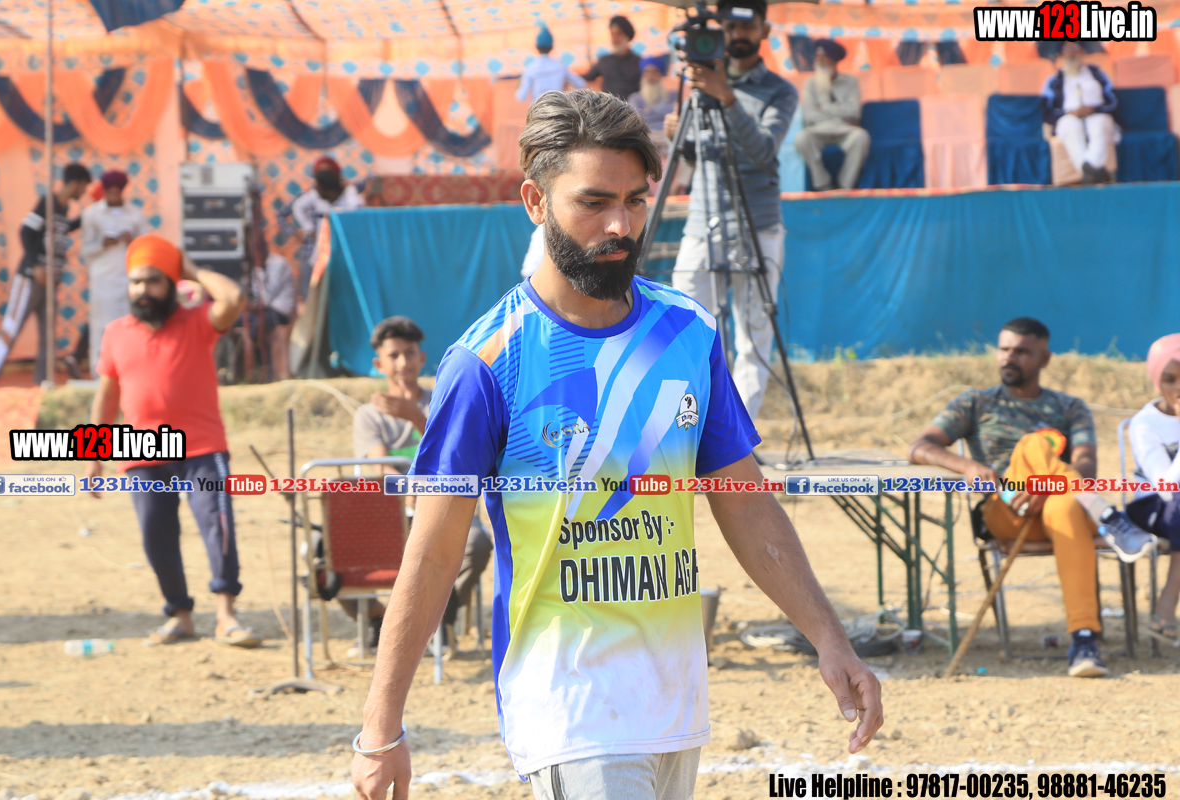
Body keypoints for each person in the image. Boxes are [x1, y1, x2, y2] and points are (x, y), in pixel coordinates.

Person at [351, 89, 882, 800]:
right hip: (569, 707)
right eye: (594, 202)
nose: (620, 225)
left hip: (676, 706)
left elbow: (746, 504)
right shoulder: (485, 363)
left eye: (635, 201)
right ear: (536, 201)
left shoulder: (688, 332)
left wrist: (830, 638)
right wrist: (381, 724)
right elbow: (434, 552)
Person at [909, 317, 1159, 678]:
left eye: (1022, 351)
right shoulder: (976, 402)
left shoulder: (1070, 407)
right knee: (1033, 443)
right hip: (1005, 508)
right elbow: (919, 447)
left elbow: (1085, 468)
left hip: (1060, 506)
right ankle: (1110, 518)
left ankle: (1084, 641)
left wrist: (1046, 485)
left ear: (1045, 358)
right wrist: (968, 466)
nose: (1009, 357)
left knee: (1060, 493)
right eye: (1004, 349)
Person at [86, 234, 260, 649]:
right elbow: (106, 397)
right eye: (136, 282)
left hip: (203, 447)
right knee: (155, 533)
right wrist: (94, 456)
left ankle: (226, 616)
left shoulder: (198, 321)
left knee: (217, 526)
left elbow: (234, 297)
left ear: (170, 283)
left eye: (153, 280)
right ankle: (180, 616)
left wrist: (191, 269)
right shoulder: (115, 333)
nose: (143, 289)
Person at [663, 0, 798, 422]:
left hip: (758, 224)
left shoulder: (780, 90)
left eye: (747, 26)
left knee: (753, 339)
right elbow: (693, 159)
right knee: (682, 327)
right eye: (730, 26)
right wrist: (677, 137)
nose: (738, 34)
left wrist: (727, 98)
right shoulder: (697, 84)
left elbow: (762, 151)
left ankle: (738, 441)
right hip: (703, 221)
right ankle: (689, 429)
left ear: (764, 30)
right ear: (717, 30)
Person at [349, 316, 493, 659]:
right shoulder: (369, 414)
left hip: (446, 507)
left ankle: (438, 618)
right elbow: (379, 466)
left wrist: (415, 416)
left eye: (410, 353)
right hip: (394, 512)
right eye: (394, 355)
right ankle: (382, 619)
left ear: (422, 358)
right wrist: (407, 487)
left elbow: (454, 450)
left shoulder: (443, 400)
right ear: (378, 364)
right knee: (332, 549)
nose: (403, 363)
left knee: (476, 544)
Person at [0, 163, 91, 388]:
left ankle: (43, 380)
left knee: (48, 334)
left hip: (50, 282)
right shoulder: (47, 203)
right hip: (31, 278)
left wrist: (86, 217)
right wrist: (35, 266)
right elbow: (26, 231)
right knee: (12, 327)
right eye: (83, 187)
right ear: (75, 183)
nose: (84, 192)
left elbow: (62, 229)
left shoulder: (63, 209)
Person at [1128, 334, 1180, 646]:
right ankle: (1168, 602)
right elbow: (1166, 485)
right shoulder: (1145, 423)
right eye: (1169, 379)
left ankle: (1166, 606)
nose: (1178, 388)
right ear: (1156, 381)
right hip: (1153, 507)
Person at [79, 170, 150, 376]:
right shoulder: (92, 214)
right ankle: (100, 372)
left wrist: (131, 241)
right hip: (102, 278)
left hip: (129, 277)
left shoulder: (135, 215)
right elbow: (86, 249)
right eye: (109, 191)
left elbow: (146, 246)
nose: (113, 195)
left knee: (131, 324)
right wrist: (103, 244)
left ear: (122, 191)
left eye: (116, 191)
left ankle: (130, 370)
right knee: (102, 325)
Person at [282, 156, 364, 307]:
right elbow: (297, 207)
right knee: (314, 291)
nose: (317, 190)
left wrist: (349, 190)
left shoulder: (348, 193)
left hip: (344, 250)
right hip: (321, 248)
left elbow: (357, 211)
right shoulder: (315, 195)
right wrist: (309, 228)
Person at [794, 39, 869, 191]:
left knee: (861, 137)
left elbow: (854, 111)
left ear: (834, 59)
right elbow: (810, 115)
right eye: (817, 56)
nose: (819, 61)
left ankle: (845, 186)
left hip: (844, 130)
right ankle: (823, 184)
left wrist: (824, 107)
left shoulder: (850, 82)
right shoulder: (810, 83)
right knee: (801, 138)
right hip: (818, 130)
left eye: (824, 57)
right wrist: (840, 111)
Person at [1042, 41, 1117, 184]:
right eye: (1067, 48)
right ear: (1062, 53)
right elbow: (1046, 112)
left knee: (1100, 123)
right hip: (1068, 118)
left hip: (1096, 115)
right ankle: (1094, 173)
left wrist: (1095, 109)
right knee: (1070, 125)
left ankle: (1088, 172)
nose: (1071, 52)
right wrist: (1070, 113)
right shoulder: (1054, 81)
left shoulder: (1098, 75)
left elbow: (1114, 103)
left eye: (1075, 47)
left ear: (1082, 51)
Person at [247, 240, 296, 380]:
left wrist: (252, 305)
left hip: (279, 310)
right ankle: (253, 371)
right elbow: (255, 294)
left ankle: (268, 371)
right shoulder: (255, 267)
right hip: (262, 310)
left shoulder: (279, 264)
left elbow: (268, 297)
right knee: (241, 323)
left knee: (258, 326)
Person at [517, 25, 586, 103]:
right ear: (552, 47)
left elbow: (521, 97)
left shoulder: (531, 68)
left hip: (538, 108)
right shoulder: (560, 66)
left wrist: (519, 84)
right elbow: (581, 83)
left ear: (536, 47)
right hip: (557, 107)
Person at [581, 15, 642, 100]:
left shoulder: (639, 62)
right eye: (613, 34)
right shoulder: (604, 61)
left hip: (631, 106)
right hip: (608, 106)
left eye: (619, 33)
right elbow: (586, 78)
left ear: (628, 35)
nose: (615, 38)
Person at [628, 54, 677, 132]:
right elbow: (638, 119)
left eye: (654, 72)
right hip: (645, 134)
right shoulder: (635, 98)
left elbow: (677, 115)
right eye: (647, 72)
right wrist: (665, 110)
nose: (650, 75)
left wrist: (651, 110)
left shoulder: (673, 95)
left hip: (668, 133)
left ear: (660, 74)